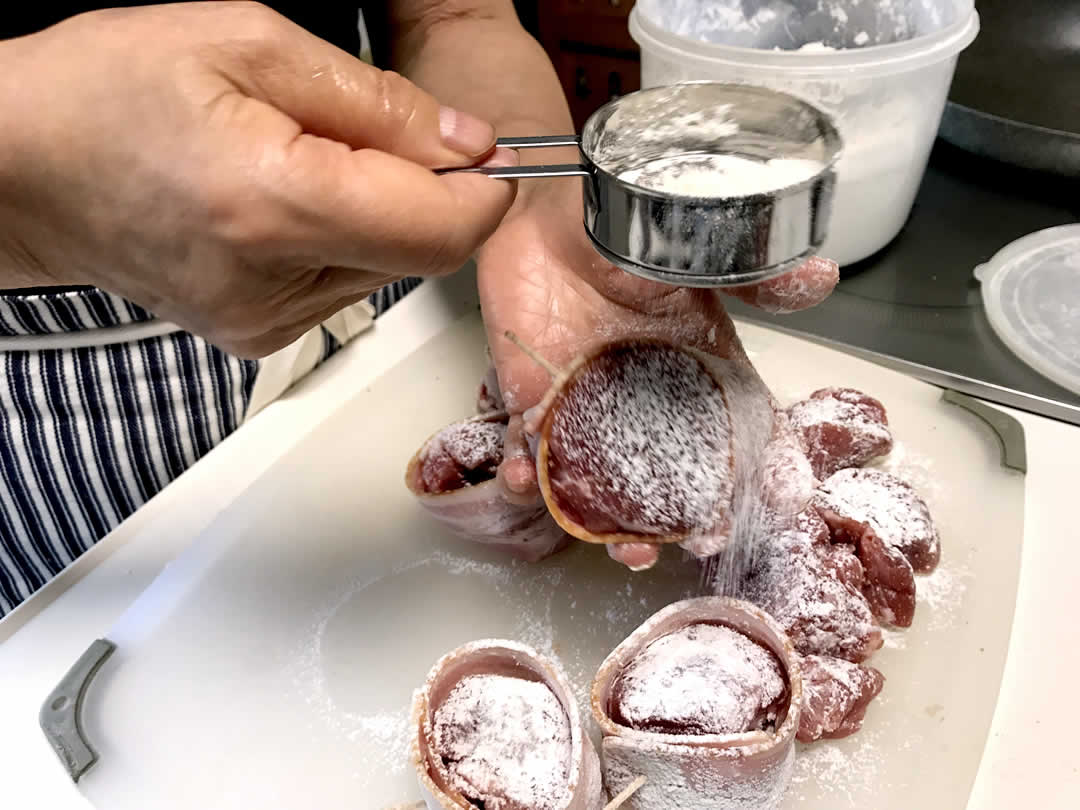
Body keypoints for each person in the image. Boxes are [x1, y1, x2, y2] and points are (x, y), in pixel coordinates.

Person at [0, 1, 838, 617]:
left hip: (392, 264)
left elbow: (453, 14)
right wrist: (24, 168)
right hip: (76, 381)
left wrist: (531, 208)